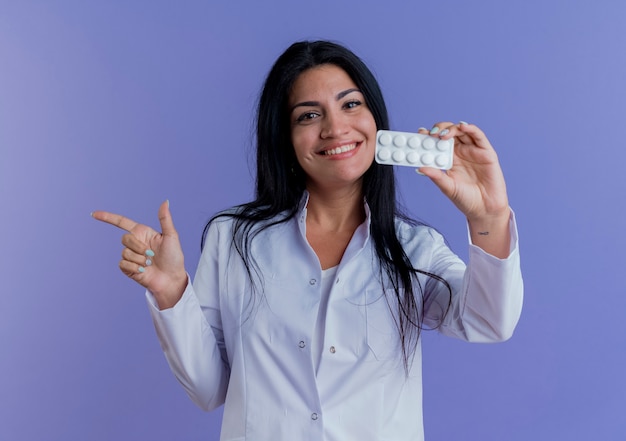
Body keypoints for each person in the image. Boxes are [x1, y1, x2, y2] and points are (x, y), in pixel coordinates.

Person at [92, 40, 523, 441]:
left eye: (351, 104)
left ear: (376, 120)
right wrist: (171, 293)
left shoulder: (414, 248)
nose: (335, 128)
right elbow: (209, 390)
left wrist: (487, 216)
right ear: (286, 136)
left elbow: (490, 322)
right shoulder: (234, 238)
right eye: (309, 115)